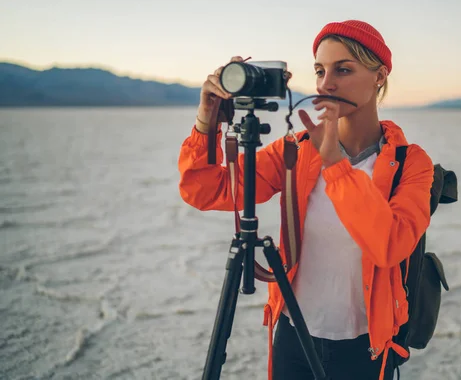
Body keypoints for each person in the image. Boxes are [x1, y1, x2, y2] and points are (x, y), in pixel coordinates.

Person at [178, 20, 434, 380]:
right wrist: (207, 121)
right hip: (293, 335)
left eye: (343, 69)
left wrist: (336, 165)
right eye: (320, 70)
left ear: (379, 76)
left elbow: (390, 245)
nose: (326, 83)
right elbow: (207, 190)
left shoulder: (411, 163)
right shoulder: (298, 150)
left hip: (366, 345)